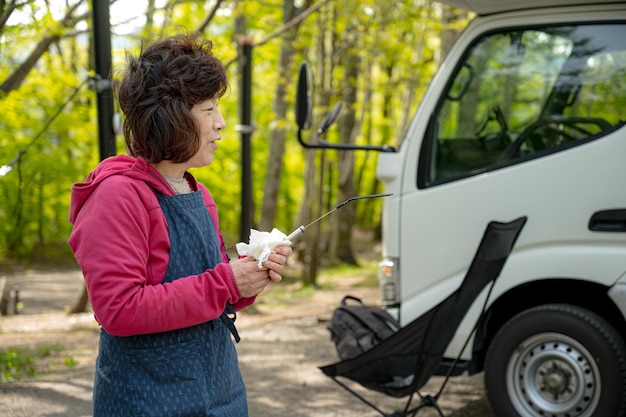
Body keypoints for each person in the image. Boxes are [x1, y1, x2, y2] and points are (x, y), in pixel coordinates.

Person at [68, 33, 292, 417]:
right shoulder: (116, 195)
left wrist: (248, 279)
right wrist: (226, 282)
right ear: (170, 115)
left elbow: (213, 291)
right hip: (147, 401)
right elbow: (119, 309)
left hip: (221, 393)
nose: (221, 124)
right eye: (208, 110)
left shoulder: (197, 191)